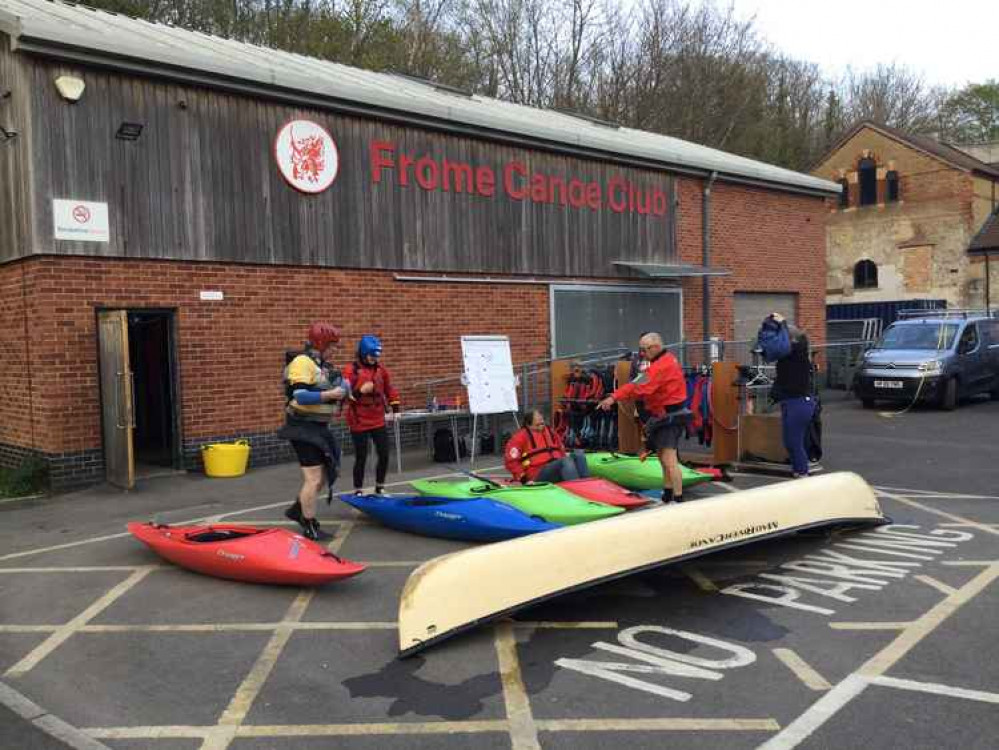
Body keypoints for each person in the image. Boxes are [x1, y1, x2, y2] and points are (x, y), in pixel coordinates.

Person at [277, 322, 348, 540]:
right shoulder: (302, 362)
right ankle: (309, 523)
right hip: (302, 427)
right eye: (332, 345)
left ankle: (298, 508)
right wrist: (332, 394)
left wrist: (344, 388)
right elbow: (300, 396)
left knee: (327, 473)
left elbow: (341, 385)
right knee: (314, 478)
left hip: (318, 427)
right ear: (321, 343)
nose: (334, 349)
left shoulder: (322, 365)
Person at [598, 332, 688, 503]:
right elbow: (637, 382)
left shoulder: (662, 366)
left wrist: (614, 397)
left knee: (669, 459)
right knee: (662, 457)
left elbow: (641, 388)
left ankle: (679, 499)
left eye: (643, 350)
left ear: (655, 347)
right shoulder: (659, 361)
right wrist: (616, 396)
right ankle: (668, 494)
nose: (641, 354)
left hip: (670, 417)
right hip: (660, 415)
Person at [343, 335, 400, 495]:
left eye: (376, 356)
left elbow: (390, 390)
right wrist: (360, 391)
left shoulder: (381, 371)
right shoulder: (351, 371)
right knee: (361, 456)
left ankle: (380, 486)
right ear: (362, 353)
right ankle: (358, 489)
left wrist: (396, 409)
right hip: (359, 420)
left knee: (384, 453)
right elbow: (345, 395)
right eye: (371, 356)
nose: (374, 359)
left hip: (377, 419)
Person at [766, 312, 816, 478]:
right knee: (789, 442)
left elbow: (796, 342)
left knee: (794, 442)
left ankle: (802, 474)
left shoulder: (799, 353)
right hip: (790, 402)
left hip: (800, 403)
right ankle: (798, 472)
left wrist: (783, 324)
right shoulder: (786, 356)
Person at [504, 409, 590, 484]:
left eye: (542, 421)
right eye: (538, 423)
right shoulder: (519, 437)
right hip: (537, 474)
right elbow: (511, 462)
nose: (542, 424)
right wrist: (524, 479)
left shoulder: (551, 432)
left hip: (556, 467)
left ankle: (587, 486)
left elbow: (561, 450)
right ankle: (575, 489)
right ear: (528, 424)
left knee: (579, 455)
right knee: (565, 461)